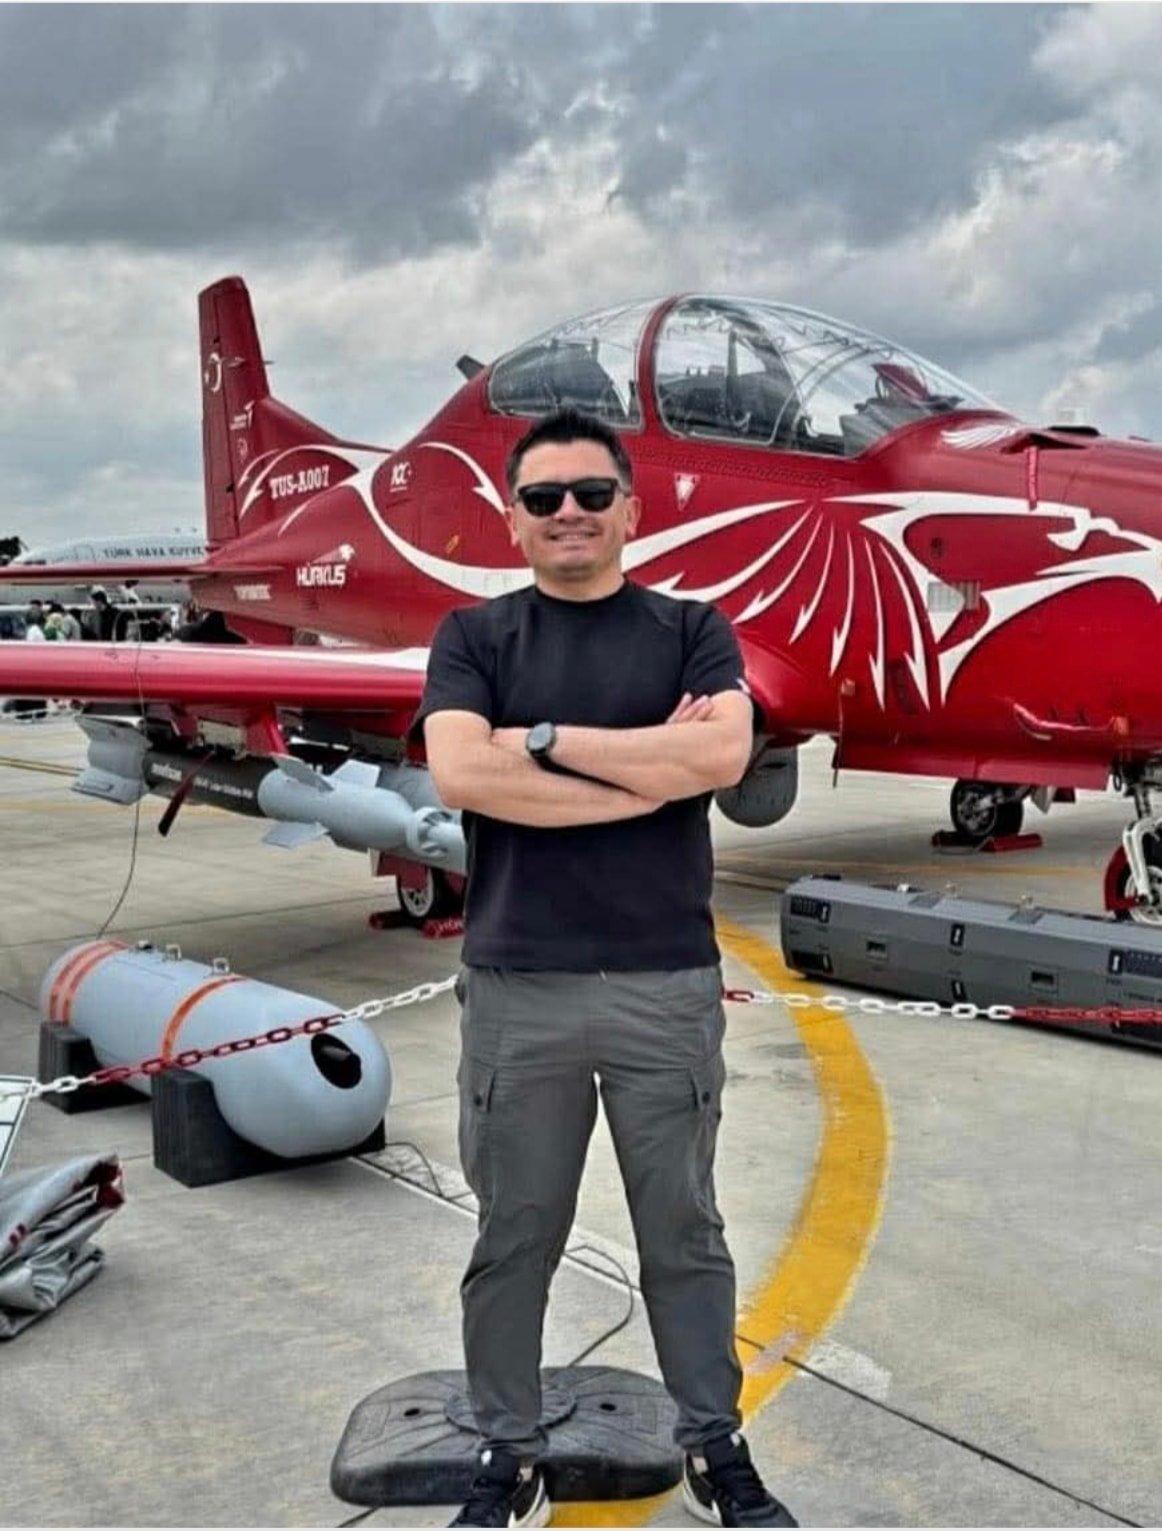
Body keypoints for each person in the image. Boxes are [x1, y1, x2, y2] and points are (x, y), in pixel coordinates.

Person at [418, 408, 796, 1530]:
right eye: (544, 498)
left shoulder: (692, 629)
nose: (569, 513)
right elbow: (460, 776)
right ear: (513, 518)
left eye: (591, 493)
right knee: (513, 1235)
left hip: (662, 986)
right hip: (517, 988)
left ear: (632, 508)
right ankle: (507, 1444)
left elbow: (721, 753)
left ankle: (713, 1442)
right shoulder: (471, 635)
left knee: (684, 1234)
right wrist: (647, 775)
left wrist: (541, 741)